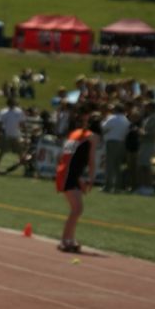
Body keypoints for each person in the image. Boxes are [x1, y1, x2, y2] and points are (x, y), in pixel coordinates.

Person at [55, 106, 99, 253]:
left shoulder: (75, 134)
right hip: (70, 175)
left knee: (76, 209)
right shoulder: (92, 137)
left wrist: (80, 178)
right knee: (77, 209)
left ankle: (69, 239)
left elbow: (67, 156)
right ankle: (64, 240)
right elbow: (91, 160)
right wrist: (90, 179)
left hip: (66, 172)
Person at [101, 103, 130, 193]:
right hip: (121, 142)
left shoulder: (112, 118)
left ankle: (108, 186)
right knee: (117, 166)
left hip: (111, 142)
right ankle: (118, 187)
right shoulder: (126, 120)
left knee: (109, 165)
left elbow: (103, 127)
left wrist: (104, 120)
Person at [136, 100, 155, 196]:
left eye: (146, 106)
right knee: (142, 165)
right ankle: (143, 186)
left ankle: (149, 187)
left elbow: (153, 133)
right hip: (145, 144)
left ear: (150, 107)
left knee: (146, 166)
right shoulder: (149, 117)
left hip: (149, 144)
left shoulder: (154, 118)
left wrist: (141, 132)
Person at [0, 97, 26, 174]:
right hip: (7, 135)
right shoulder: (4, 112)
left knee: (21, 153)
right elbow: (0, 124)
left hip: (16, 135)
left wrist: (25, 134)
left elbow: (22, 123)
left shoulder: (19, 112)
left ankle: (26, 170)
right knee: (2, 152)